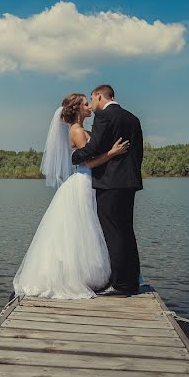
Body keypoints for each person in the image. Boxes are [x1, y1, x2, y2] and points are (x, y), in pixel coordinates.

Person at [12, 93, 129, 299]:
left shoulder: (82, 130)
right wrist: (113, 152)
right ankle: (80, 276)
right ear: (77, 110)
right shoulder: (77, 131)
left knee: (86, 230)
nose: (90, 107)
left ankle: (95, 274)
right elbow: (88, 163)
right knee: (82, 230)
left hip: (88, 181)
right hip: (84, 181)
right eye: (85, 104)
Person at [70, 84, 144, 296]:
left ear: (100, 96)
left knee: (113, 233)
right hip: (129, 183)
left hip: (110, 183)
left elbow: (94, 148)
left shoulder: (104, 116)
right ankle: (131, 282)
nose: (92, 105)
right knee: (127, 231)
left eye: (92, 99)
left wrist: (75, 157)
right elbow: (138, 154)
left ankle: (120, 285)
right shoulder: (133, 118)